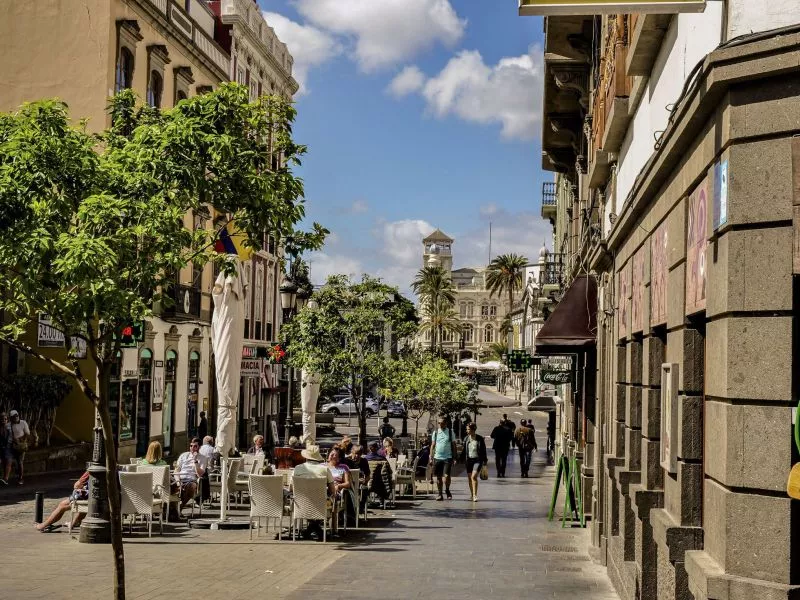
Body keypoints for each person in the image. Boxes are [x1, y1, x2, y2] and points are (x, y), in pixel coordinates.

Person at [292, 444, 335, 540]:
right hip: (320, 503)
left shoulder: (297, 468)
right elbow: (332, 490)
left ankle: (309, 530)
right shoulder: (325, 469)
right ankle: (316, 530)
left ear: (306, 457)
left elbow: (292, 488)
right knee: (329, 503)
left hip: (301, 503)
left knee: (306, 505)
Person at [174, 437, 207, 516]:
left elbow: (200, 474)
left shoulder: (203, 458)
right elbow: (176, 470)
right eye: (191, 446)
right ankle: (169, 509)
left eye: (195, 446)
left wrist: (195, 461)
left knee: (192, 486)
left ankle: (179, 507)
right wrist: (178, 482)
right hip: (180, 479)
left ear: (199, 447)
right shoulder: (183, 455)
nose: (192, 448)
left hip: (191, 480)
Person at [459, 422, 488, 502]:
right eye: (467, 429)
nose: (467, 431)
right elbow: (464, 450)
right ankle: (472, 495)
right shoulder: (466, 438)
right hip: (469, 460)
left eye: (468, 429)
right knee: (469, 478)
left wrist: (485, 460)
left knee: (473, 476)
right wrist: (459, 459)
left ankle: (475, 495)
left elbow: (483, 450)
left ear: (473, 430)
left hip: (477, 460)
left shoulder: (480, 438)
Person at [431, 416, 457, 501]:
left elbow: (454, 445)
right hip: (437, 457)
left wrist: (454, 457)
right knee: (438, 477)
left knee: (446, 476)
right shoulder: (435, 432)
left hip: (447, 457)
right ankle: (440, 494)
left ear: (446, 423)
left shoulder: (450, 432)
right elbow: (433, 445)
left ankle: (447, 490)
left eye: (442, 423)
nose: (440, 425)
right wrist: (431, 457)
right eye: (439, 423)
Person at [326, 448, 352, 533]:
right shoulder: (322, 466)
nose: (333, 456)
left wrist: (339, 486)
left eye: (335, 455)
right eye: (331, 454)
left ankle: (333, 528)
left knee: (333, 498)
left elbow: (348, 483)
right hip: (323, 489)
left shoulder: (343, 467)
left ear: (339, 458)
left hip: (336, 490)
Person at [6, 410, 30, 485]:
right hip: (11, 445)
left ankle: (20, 478)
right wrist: (12, 439)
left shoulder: (23, 422)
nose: (16, 417)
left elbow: (27, 433)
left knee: (20, 462)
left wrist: (20, 439)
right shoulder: (8, 425)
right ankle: (6, 478)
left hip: (20, 445)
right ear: (11, 418)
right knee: (9, 461)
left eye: (17, 415)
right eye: (14, 416)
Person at [0, 412, 11, 485]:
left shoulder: (10, 427)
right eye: (2, 419)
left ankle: (6, 479)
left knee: (8, 462)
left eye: (5, 419)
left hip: (8, 448)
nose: (3, 420)